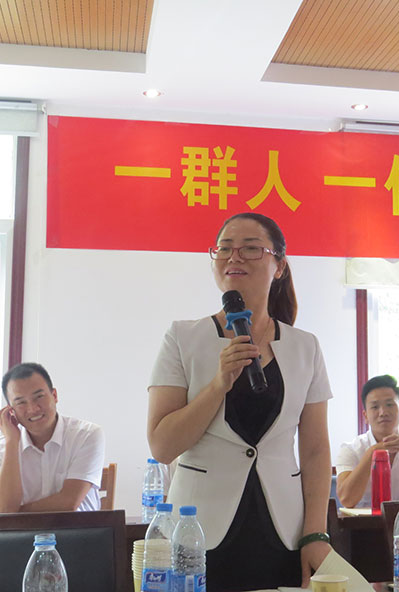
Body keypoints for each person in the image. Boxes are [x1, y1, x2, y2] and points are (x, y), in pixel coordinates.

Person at [147, 212, 332, 591]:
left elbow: (315, 450)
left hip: (282, 528)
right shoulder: (183, 338)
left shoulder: (305, 347)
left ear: (279, 265)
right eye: (224, 249)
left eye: (250, 249)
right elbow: (162, 446)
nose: (234, 257)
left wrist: (316, 533)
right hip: (197, 528)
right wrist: (219, 384)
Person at [0, 362, 105, 513]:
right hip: (23, 529)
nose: (33, 409)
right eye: (21, 402)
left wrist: (2, 514)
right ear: (10, 410)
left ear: (54, 396)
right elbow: (3, 508)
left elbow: (68, 502)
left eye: (39, 397)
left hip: (80, 527)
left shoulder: (87, 435)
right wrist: (12, 442)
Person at [335, 374, 399, 508]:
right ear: (365, 416)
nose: (383, 412)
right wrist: (373, 452)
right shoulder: (350, 450)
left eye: (389, 405)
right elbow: (347, 500)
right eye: (375, 407)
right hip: (362, 521)